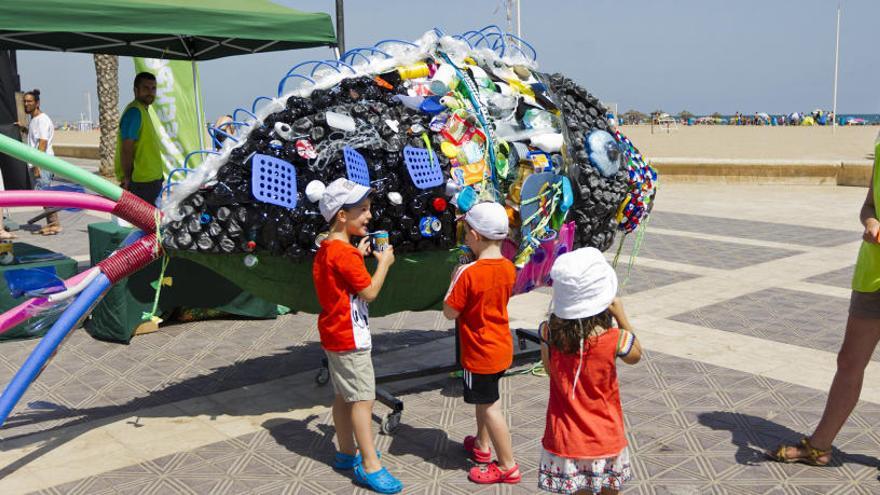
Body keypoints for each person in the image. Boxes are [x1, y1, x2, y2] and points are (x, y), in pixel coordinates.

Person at [770, 141, 880, 466]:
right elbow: (870, 205)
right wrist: (871, 223)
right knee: (849, 361)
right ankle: (819, 446)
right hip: (874, 274)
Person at [313, 178, 401, 494]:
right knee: (363, 399)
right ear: (341, 215)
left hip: (334, 334)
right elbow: (370, 292)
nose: (368, 216)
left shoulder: (328, 248)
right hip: (351, 337)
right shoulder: (345, 255)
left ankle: (346, 452)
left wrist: (357, 257)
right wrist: (384, 264)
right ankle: (370, 464)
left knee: (343, 396)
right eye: (362, 210)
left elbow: (341, 281)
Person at [537, 247, 642, 494]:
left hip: (566, 438)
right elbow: (636, 355)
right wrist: (622, 316)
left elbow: (549, 370)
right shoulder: (615, 339)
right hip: (605, 436)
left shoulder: (548, 332)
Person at [443, 202, 521, 485]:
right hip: (501, 346)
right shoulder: (508, 268)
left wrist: (454, 279)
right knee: (486, 399)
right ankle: (482, 446)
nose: (464, 237)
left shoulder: (468, 273)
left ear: (475, 235)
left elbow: (450, 311)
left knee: (489, 407)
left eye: (465, 232)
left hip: (478, 352)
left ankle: (508, 465)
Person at [115, 72, 163, 205]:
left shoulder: (143, 110)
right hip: (142, 183)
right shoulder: (134, 112)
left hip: (152, 180)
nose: (150, 92)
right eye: (146, 88)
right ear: (136, 90)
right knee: (147, 223)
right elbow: (127, 148)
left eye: (153, 88)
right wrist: (127, 178)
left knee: (153, 222)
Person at [22, 89, 60, 235]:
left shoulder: (42, 120)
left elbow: (42, 143)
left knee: (45, 194)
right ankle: (52, 224)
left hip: (42, 163)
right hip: (39, 163)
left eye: (29, 101)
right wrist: (24, 129)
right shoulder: (34, 120)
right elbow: (35, 139)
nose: (26, 104)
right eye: (25, 101)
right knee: (44, 194)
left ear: (37, 103)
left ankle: (54, 224)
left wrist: (37, 164)